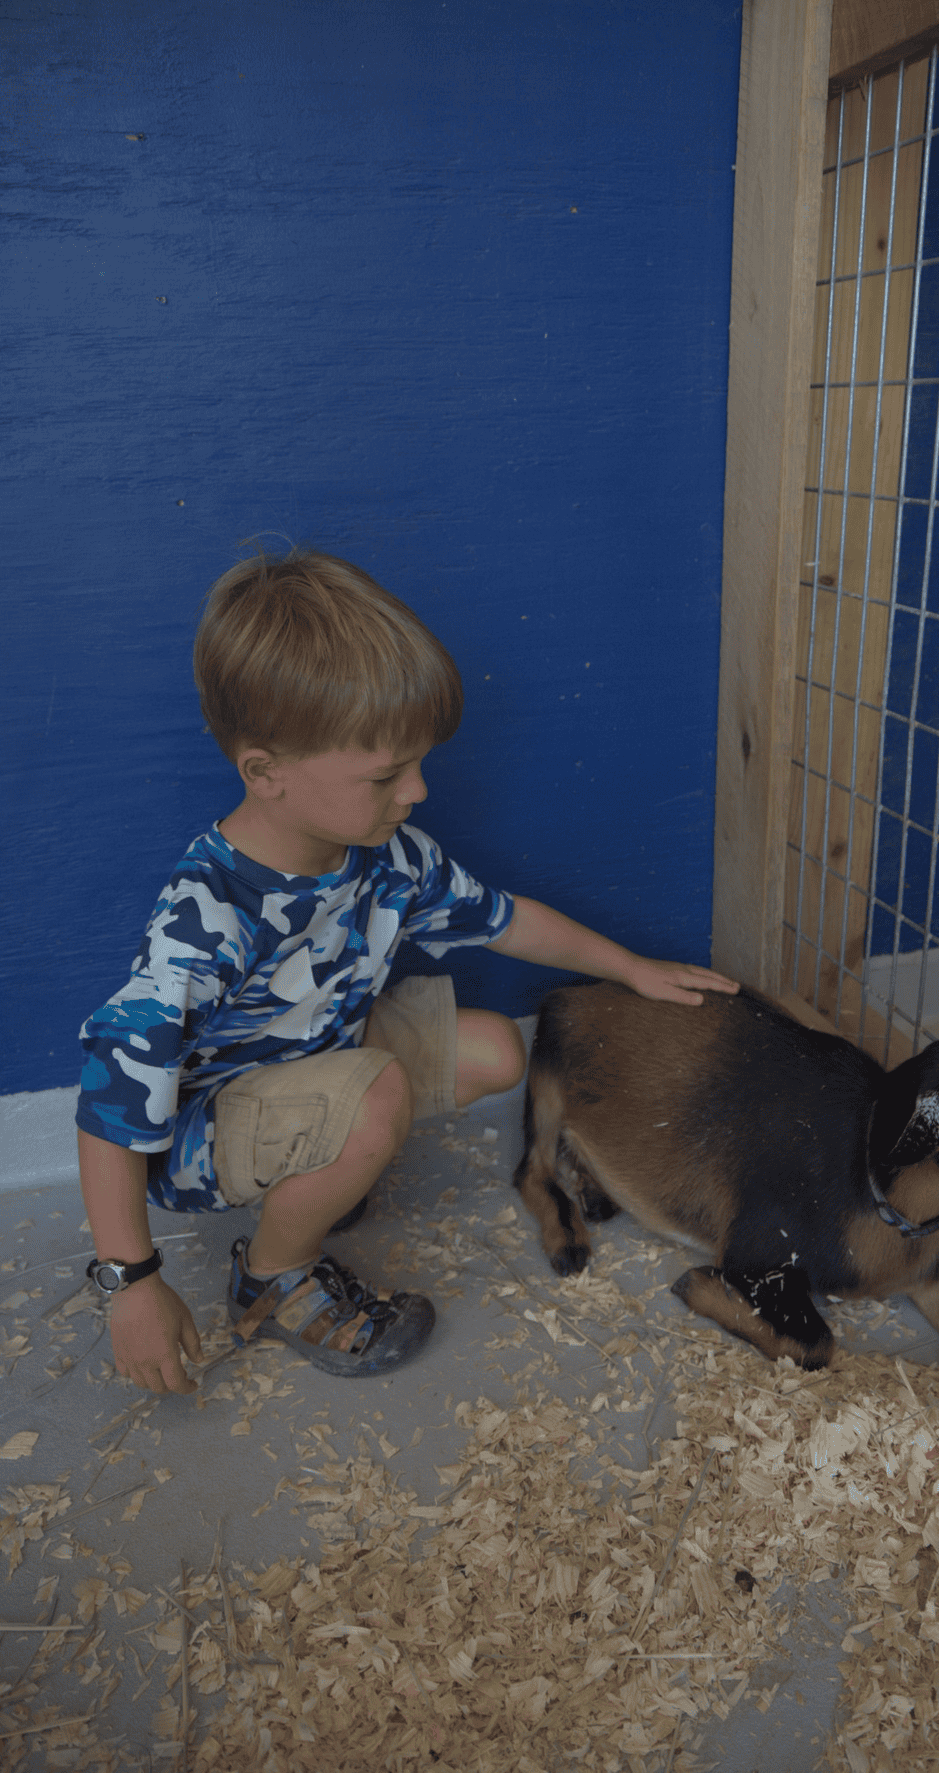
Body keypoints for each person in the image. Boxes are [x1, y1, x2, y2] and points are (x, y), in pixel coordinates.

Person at [76, 549, 736, 1396]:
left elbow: (507, 920)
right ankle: (274, 1275)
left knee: (496, 1051)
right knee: (380, 1095)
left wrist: (632, 967)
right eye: (388, 774)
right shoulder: (206, 915)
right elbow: (108, 1102)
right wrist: (127, 1280)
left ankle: (320, 1165)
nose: (418, 790)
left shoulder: (382, 854)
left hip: (317, 1049)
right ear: (265, 773)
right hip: (211, 1119)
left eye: (419, 763)